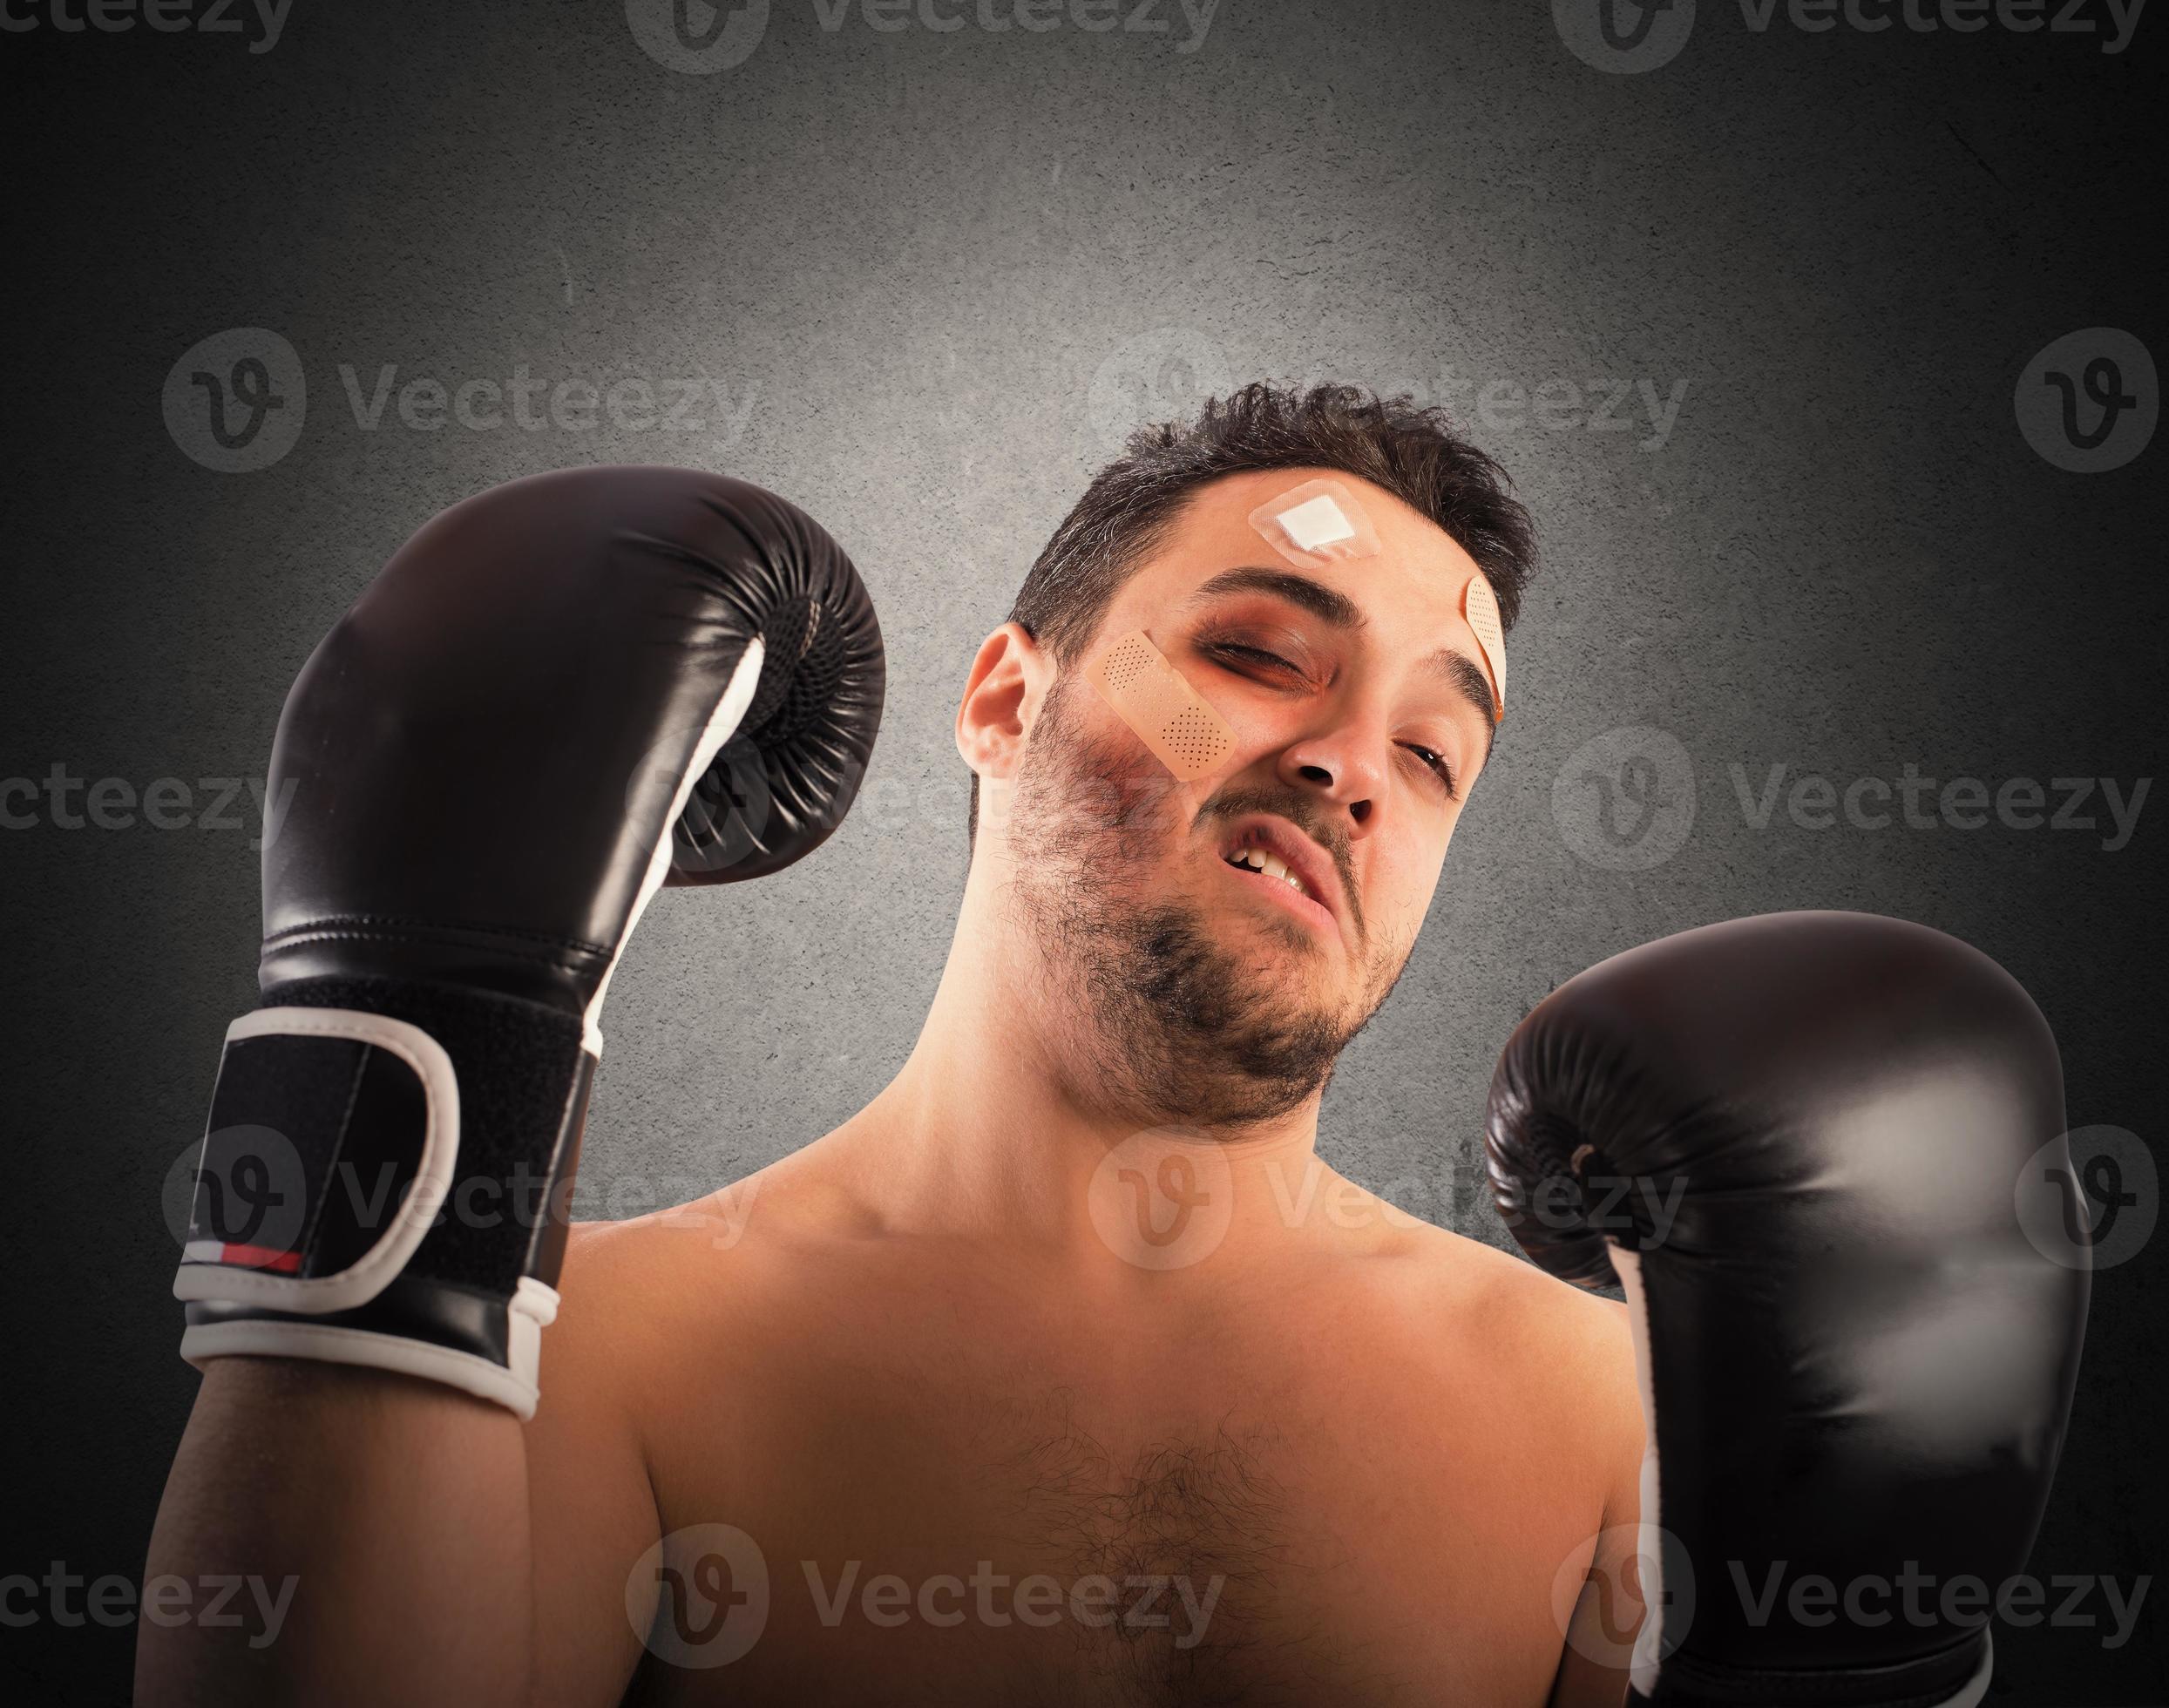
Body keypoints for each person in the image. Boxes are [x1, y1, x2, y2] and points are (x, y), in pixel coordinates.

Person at [139, 387, 2082, 1707]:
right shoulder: (605, 1356)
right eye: (1259, 650)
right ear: (1003, 693)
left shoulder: (1611, 1420)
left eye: (1433, 746)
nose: (1348, 767)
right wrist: (407, 1008)